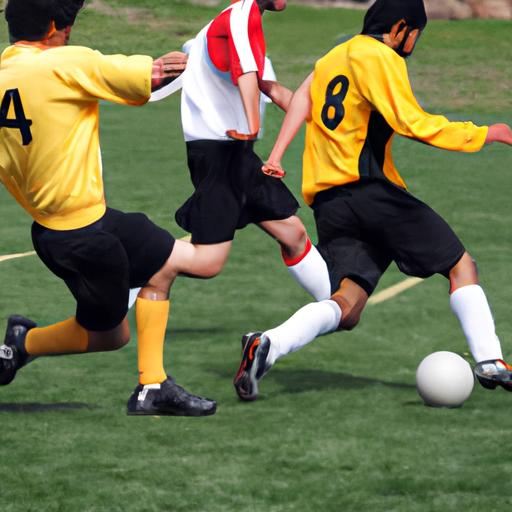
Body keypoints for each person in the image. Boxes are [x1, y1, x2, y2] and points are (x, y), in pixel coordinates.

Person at [233, 0, 512, 401]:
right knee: (460, 265)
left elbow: (303, 105)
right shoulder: (381, 56)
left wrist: (277, 152)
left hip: (330, 203)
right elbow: (411, 122)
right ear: (400, 28)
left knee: (347, 305)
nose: (412, 43)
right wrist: (485, 133)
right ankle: (491, 361)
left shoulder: (330, 58)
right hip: (371, 192)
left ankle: (269, 344)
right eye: (415, 34)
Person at [0, 0, 220, 416]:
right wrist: (204, 51)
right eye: (67, 22)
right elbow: (156, 74)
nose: (69, 30)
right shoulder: (64, 63)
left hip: (70, 226)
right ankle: (22, 344)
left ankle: (152, 386)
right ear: (52, 27)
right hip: (83, 239)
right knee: (110, 335)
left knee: (167, 264)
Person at [173, 0, 331, 303]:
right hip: (221, 152)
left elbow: (270, 88)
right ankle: (138, 264)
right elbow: (245, 73)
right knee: (208, 262)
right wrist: (252, 125)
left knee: (293, 233)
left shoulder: (248, 22)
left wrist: (324, 125)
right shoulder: (241, 13)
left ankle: (334, 307)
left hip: (232, 153)